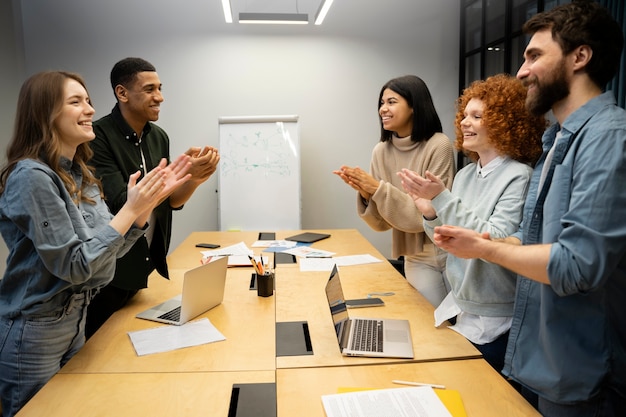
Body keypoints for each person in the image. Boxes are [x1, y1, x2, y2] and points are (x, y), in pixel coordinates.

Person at [432, 1, 626, 415]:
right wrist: (479, 240)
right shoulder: (555, 142)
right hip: (546, 356)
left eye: (534, 56)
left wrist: (485, 249)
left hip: (586, 369)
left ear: (580, 56)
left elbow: (576, 265)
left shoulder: (608, 138)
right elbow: (532, 238)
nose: (521, 71)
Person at [0, 71, 191, 417]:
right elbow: (76, 266)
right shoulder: (30, 177)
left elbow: (105, 252)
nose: (89, 109)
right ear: (45, 114)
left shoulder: (79, 173)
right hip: (34, 331)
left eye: (88, 100)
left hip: (75, 319)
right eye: (76, 102)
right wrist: (131, 209)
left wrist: (141, 212)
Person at [398, 74, 545, 374]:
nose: (465, 123)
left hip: (496, 318)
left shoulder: (519, 176)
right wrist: (430, 214)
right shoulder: (466, 175)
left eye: (477, 116)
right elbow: (447, 237)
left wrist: (442, 200)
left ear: (506, 123)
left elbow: (495, 239)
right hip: (464, 307)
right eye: (465, 115)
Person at [85, 57, 220, 338]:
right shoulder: (97, 137)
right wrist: (173, 179)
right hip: (112, 273)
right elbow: (122, 203)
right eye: (149, 89)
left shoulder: (159, 136)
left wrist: (193, 180)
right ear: (122, 93)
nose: (159, 97)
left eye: (159, 88)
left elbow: (170, 203)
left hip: (147, 266)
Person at [334, 75, 455, 306]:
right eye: (382, 103)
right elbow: (382, 224)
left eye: (391, 101)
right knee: (431, 322)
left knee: (462, 328)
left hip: (449, 251)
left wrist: (378, 189)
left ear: (414, 106)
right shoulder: (381, 151)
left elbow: (430, 214)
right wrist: (367, 194)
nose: (383, 109)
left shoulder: (439, 145)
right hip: (414, 256)